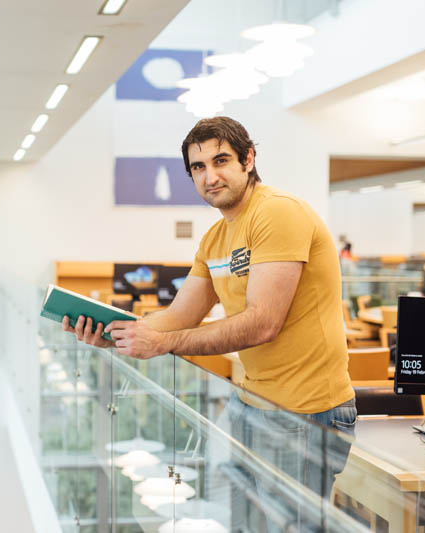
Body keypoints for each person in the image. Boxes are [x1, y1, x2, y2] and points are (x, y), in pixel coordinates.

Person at [64, 117, 355, 529]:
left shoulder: (277, 213)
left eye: (220, 161)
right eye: (198, 167)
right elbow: (178, 316)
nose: (209, 176)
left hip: (306, 413)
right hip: (252, 403)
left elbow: (262, 324)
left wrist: (161, 343)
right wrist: (117, 334)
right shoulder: (216, 238)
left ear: (248, 159)